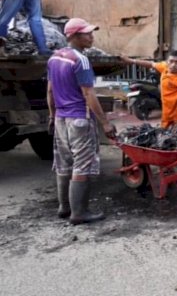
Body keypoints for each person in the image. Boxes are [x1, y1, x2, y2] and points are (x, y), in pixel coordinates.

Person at [47, 18, 116, 225]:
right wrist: (105, 122)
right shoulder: (81, 60)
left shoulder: (54, 58)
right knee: (82, 165)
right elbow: (89, 94)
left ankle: (64, 207)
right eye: (87, 33)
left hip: (61, 118)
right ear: (74, 36)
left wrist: (52, 115)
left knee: (64, 162)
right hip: (79, 119)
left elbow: (50, 91)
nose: (91, 36)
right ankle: (79, 212)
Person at [121, 50, 177, 140]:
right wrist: (130, 61)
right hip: (167, 114)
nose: (173, 65)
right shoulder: (164, 67)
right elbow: (151, 64)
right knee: (166, 140)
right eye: (171, 61)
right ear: (167, 62)